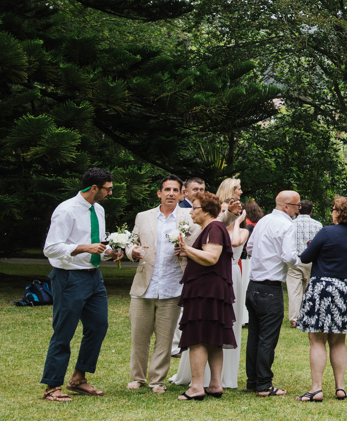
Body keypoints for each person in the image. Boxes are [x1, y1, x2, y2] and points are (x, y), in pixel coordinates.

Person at [40, 167, 124, 402]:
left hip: (93, 277)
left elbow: (96, 244)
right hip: (68, 277)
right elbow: (51, 248)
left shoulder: (98, 209)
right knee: (64, 331)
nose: (110, 193)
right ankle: (52, 386)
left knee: (99, 326)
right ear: (94, 188)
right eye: (107, 189)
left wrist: (110, 252)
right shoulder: (66, 211)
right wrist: (83, 247)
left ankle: (79, 378)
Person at [172, 177, 248, 390]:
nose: (191, 212)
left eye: (194, 208)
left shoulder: (213, 228)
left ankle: (196, 387)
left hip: (206, 291)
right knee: (214, 338)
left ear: (206, 211)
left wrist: (186, 249)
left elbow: (211, 257)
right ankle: (215, 384)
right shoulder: (215, 227)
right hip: (213, 289)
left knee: (198, 337)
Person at [295, 196, 347, 401]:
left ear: (338, 212)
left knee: (317, 339)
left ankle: (316, 388)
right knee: (338, 340)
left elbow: (306, 257)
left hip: (325, 287)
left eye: (333, 209)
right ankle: (340, 387)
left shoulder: (326, 231)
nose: (332, 211)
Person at [126, 174, 192, 394]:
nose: (171, 194)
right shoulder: (143, 217)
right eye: (167, 190)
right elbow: (131, 243)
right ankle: (137, 378)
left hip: (173, 286)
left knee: (165, 339)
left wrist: (186, 250)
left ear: (182, 194)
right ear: (159, 193)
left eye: (175, 190)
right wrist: (131, 252)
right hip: (144, 285)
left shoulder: (189, 217)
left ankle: (157, 380)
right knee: (139, 337)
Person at [244, 190, 301, 396]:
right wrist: (297, 260)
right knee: (268, 337)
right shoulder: (287, 225)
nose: (298, 209)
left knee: (254, 335)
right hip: (271, 287)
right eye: (296, 206)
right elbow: (287, 255)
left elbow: (249, 247)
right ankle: (264, 384)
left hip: (253, 285)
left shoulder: (263, 221)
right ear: (286, 206)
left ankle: (252, 380)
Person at [288, 200, 323, 328]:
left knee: (294, 291)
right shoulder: (318, 225)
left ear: (298, 210)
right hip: (312, 261)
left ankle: (295, 319)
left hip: (295, 260)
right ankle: (310, 315)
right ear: (311, 211)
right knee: (311, 290)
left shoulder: (291, 224)